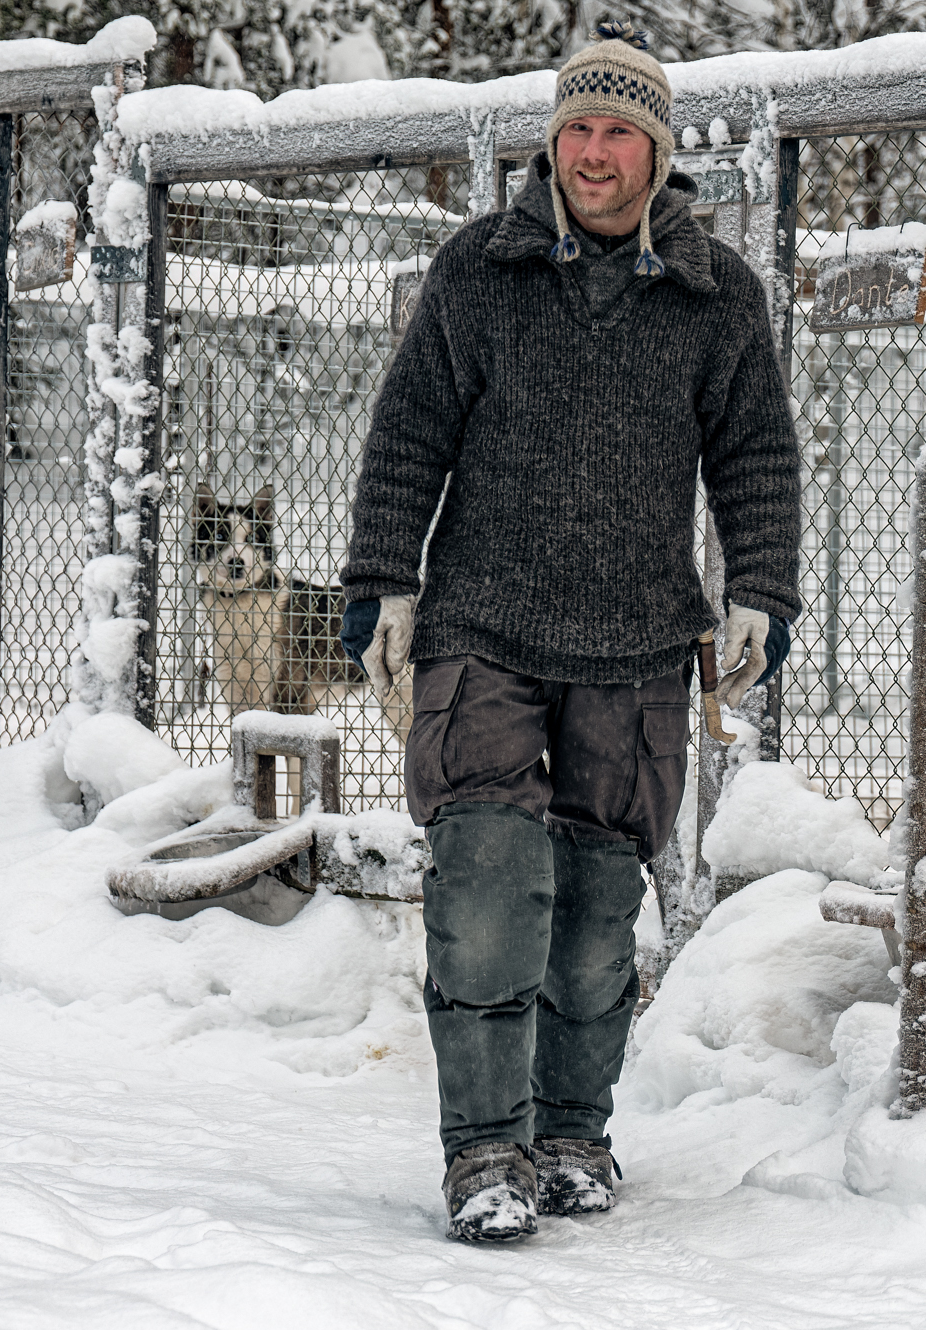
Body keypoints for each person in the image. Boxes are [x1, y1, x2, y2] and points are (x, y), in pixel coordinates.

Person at [337, 20, 801, 1243]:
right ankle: (484, 1151)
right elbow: (409, 432)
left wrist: (760, 587)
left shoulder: (714, 295)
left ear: (655, 150)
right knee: (488, 887)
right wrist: (384, 577)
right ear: (551, 143)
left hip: (641, 640)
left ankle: (569, 1133)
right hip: (482, 621)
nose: (593, 155)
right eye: (576, 131)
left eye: (618, 133)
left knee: (598, 915)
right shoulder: (478, 272)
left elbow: (755, 453)